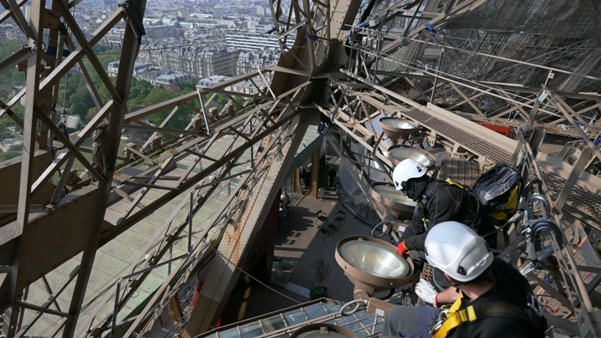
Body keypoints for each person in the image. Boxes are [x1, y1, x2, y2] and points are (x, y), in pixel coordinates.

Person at [381, 221, 547, 338]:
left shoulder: (492, 329)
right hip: (459, 318)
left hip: (464, 326)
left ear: (449, 276)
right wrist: (436, 298)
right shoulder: (497, 268)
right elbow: (465, 288)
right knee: (396, 316)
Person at [392, 158, 496, 260]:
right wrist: (401, 242)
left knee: (416, 255)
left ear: (413, 181)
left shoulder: (443, 197)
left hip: (481, 243)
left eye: (404, 188)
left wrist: (407, 244)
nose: (404, 194)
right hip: (462, 236)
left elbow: (434, 238)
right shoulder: (427, 194)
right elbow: (416, 225)